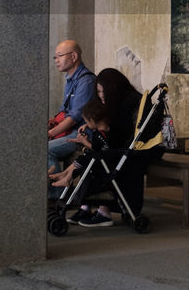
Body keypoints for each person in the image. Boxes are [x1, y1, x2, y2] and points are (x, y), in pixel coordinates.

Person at [51, 67, 156, 227]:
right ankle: (73, 185)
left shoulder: (129, 103)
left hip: (131, 152)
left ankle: (97, 205)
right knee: (90, 155)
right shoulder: (118, 101)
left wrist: (93, 136)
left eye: (102, 91)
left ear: (113, 88)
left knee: (94, 158)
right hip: (117, 148)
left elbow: (118, 134)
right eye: (98, 92)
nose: (101, 96)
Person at [47, 40, 97, 174]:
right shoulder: (71, 79)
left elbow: (74, 118)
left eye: (59, 56)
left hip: (82, 134)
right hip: (70, 130)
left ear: (73, 56)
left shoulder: (86, 81)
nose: (56, 60)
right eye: (55, 57)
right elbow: (65, 112)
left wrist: (50, 133)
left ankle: (56, 194)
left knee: (45, 149)